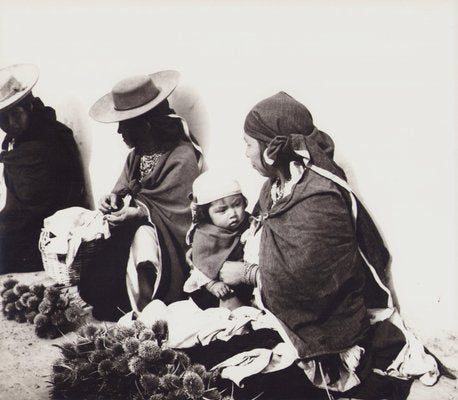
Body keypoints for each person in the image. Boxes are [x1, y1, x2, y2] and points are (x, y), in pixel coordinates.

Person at [216, 92, 438, 399]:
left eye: (248, 144)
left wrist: (249, 274)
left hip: (330, 321)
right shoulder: (273, 188)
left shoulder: (318, 196)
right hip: (276, 307)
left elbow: (312, 281)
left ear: (270, 149)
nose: (245, 153)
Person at [78, 71, 202, 321]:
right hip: (133, 230)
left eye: (124, 125)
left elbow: (180, 213)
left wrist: (141, 213)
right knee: (95, 286)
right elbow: (123, 187)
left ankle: (146, 303)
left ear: (145, 126)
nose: (120, 132)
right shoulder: (137, 155)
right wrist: (111, 197)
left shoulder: (182, 156)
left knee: (142, 241)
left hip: (163, 243)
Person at [0, 64, 86, 274]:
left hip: (45, 235)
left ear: (29, 105)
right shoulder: (24, 137)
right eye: (2, 118)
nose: (11, 123)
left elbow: (31, 204)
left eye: (16, 114)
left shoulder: (45, 142)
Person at [184, 171, 252, 310]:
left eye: (237, 205)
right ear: (206, 213)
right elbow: (200, 268)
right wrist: (212, 285)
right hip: (212, 286)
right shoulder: (206, 235)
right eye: (222, 210)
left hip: (243, 280)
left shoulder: (249, 222)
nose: (233, 214)